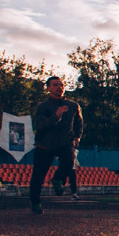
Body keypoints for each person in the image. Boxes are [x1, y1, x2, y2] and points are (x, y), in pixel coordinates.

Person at [29, 75, 83, 214]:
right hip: (45, 144)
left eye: (61, 85)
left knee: (69, 161)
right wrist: (56, 116)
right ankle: (35, 202)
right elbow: (40, 125)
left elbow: (79, 122)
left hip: (65, 142)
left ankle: (58, 180)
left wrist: (77, 136)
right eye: (55, 85)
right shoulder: (43, 106)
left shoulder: (72, 105)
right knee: (38, 176)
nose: (59, 87)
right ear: (48, 88)